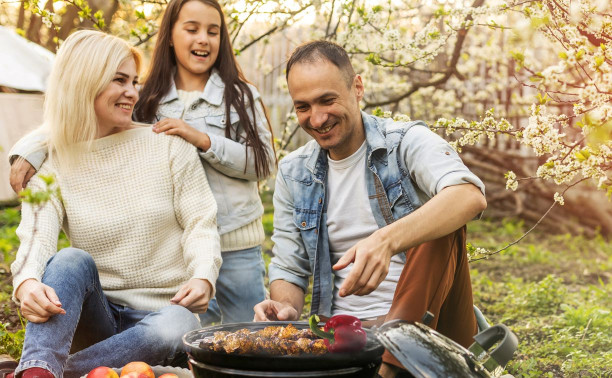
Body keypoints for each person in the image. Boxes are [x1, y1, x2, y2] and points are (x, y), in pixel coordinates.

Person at [9, 0, 275, 325]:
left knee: (247, 339)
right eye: (191, 29)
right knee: (191, 344)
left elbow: (264, 164)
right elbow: (82, 117)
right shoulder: (147, 96)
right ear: (170, 36)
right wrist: (31, 149)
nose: (203, 39)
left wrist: (201, 139)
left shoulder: (240, 95)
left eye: (213, 31)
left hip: (234, 245)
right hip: (177, 254)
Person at [253, 40, 487, 377]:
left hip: (435, 336)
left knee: (443, 224)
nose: (317, 118)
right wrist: (284, 306)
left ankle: (389, 368)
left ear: (357, 87)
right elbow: (290, 268)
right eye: (303, 106)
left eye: (327, 100)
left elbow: (468, 195)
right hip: (341, 339)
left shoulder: (405, 142)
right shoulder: (294, 172)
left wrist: (387, 240)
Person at [8, 30, 221, 378]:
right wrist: (27, 282)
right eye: (119, 80)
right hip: (97, 319)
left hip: (164, 317)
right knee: (69, 259)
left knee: (179, 321)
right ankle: (40, 368)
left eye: (134, 81)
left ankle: (41, 372)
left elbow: (201, 223)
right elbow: (36, 237)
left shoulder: (167, 146)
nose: (133, 93)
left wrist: (202, 277)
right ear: (84, 83)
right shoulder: (53, 161)